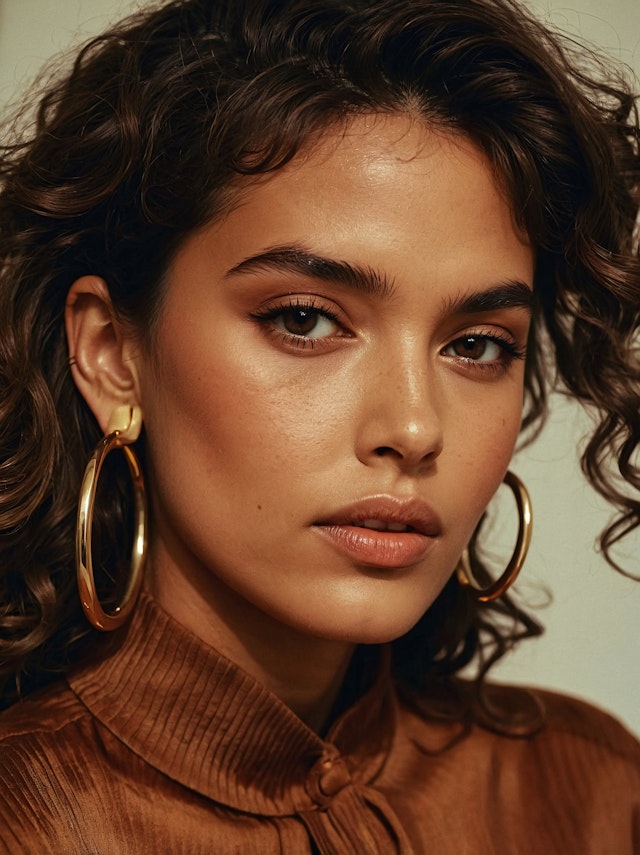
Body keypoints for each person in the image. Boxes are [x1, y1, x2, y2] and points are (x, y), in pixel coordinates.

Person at [0, 0, 639, 851]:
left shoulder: (591, 795)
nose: (414, 427)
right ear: (114, 353)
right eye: (304, 320)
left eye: (478, 344)